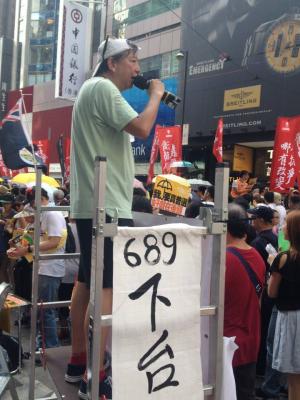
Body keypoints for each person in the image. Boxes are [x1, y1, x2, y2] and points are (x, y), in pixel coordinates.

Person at [68, 37, 164, 399]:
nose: (138, 70)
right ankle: (98, 373)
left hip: (90, 202)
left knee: (87, 279)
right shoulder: (104, 90)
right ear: (113, 63)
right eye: (134, 61)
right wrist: (155, 94)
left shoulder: (89, 91)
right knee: (106, 284)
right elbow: (141, 128)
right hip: (106, 204)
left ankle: (80, 359)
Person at [8, 188, 67, 348]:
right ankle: (44, 346)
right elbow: (42, 239)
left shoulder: (52, 214)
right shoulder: (46, 213)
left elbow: (54, 241)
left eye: (33, 203)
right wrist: (21, 246)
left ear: (40, 199)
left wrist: (27, 249)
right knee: (43, 310)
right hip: (44, 266)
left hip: (50, 268)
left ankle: (49, 347)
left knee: (45, 311)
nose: (32, 207)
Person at [224, 204, 265, 399]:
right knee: (245, 392)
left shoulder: (223, 259)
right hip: (251, 337)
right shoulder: (256, 255)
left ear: (224, 227)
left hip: (227, 343)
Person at [268, 210, 300, 399]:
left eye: (286, 224)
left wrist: (272, 265)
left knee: (294, 378)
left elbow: (272, 292)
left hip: (290, 319)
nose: (283, 227)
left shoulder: (283, 258)